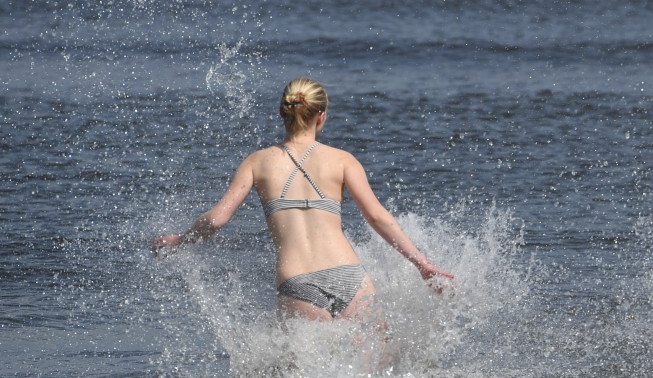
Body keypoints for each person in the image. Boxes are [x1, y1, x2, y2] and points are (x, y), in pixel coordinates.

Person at [153, 77, 453, 321]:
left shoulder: (257, 162)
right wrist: (422, 264)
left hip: (297, 281)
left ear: (282, 112)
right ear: (320, 116)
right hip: (349, 275)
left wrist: (181, 241)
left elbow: (217, 219)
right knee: (379, 373)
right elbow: (377, 217)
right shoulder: (343, 160)